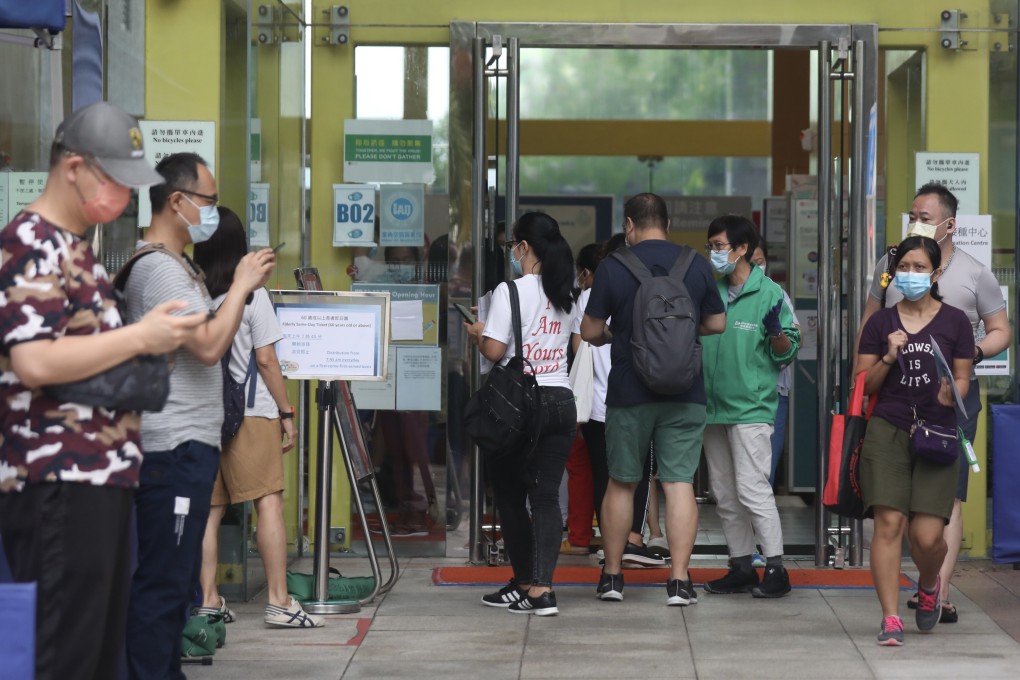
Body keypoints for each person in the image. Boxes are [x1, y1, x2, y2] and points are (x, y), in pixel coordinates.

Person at [0, 101, 207, 680]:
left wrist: (149, 348)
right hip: (57, 479)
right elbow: (35, 360)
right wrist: (143, 335)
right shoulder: (31, 242)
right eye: (114, 180)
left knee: (94, 654)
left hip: (101, 475)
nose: (121, 196)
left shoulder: (75, 248)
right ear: (73, 169)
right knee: (64, 654)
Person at [122, 152, 276, 679]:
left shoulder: (179, 267)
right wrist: (240, 284)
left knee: (178, 578)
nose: (213, 211)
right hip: (172, 448)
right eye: (208, 201)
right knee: (165, 581)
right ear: (177, 201)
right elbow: (209, 346)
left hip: (188, 445)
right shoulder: (161, 271)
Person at [857, 183, 1011, 623]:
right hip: (892, 397)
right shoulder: (890, 265)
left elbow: (1001, 329)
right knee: (891, 512)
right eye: (913, 214)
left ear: (949, 224)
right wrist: (862, 372)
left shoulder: (974, 272)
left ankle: (938, 591)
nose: (916, 221)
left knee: (946, 500)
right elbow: (871, 319)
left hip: (951, 399)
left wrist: (970, 359)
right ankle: (904, 601)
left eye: (924, 216)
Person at [581, 193, 726, 606]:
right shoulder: (695, 264)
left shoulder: (613, 267)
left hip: (629, 391)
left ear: (629, 224)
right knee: (679, 482)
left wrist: (620, 336)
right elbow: (717, 322)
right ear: (667, 222)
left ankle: (612, 577)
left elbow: (590, 332)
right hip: (685, 391)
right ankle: (679, 580)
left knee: (622, 482)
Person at [192, 207, 323, 628]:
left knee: (210, 511)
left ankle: (209, 600)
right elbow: (266, 361)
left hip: (207, 412)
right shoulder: (251, 294)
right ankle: (280, 600)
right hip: (251, 412)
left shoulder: (195, 292)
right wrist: (287, 413)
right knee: (269, 501)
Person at [855, 236, 974, 646]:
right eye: (904, 266)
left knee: (927, 538)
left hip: (937, 434)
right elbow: (864, 385)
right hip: (888, 430)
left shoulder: (956, 321)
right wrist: (888, 356)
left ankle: (928, 585)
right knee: (889, 524)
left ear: (936, 272)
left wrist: (950, 393)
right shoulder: (880, 323)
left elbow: (963, 377)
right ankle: (890, 618)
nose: (911, 274)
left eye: (920, 267)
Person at [466, 212, 577, 616]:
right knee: (546, 496)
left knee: (511, 497)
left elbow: (496, 352)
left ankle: (528, 581)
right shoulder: (568, 290)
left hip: (519, 408)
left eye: (513, 244)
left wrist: (478, 335)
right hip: (561, 401)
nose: (511, 252)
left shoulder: (509, 290)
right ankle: (538, 589)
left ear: (524, 247)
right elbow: (577, 343)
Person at [700, 216, 799, 599]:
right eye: (711, 245)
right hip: (712, 408)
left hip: (751, 408)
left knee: (752, 489)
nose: (714, 252)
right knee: (724, 492)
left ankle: (775, 567)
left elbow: (787, 351)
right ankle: (741, 565)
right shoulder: (710, 290)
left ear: (742, 249)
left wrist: (776, 333)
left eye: (720, 245)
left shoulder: (769, 293)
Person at [572, 235, 666, 567]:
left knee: (605, 475)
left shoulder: (586, 296)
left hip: (598, 404)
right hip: (638, 396)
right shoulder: (649, 290)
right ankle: (633, 540)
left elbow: (578, 346)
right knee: (639, 472)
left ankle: (612, 543)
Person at [750, 242, 800, 487]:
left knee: (764, 470)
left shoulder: (776, 294)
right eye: (750, 262)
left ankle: (760, 525)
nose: (755, 267)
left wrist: (776, 333)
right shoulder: (723, 294)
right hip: (735, 392)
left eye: (759, 261)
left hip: (772, 391)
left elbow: (795, 337)